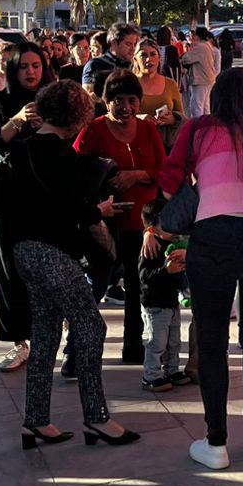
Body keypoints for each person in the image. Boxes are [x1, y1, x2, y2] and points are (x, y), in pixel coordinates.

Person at [2, 79, 139, 451]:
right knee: (90, 327)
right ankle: (96, 419)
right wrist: (100, 210)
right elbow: (70, 207)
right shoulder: (61, 155)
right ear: (77, 118)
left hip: (24, 251)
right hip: (52, 252)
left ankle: (36, 421)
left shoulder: (21, 149)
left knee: (45, 333)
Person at [159, 67, 243, 470]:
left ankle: (215, 443)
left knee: (212, 339)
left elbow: (167, 183)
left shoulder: (197, 129)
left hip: (213, 235)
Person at [75, 70, 165, 365]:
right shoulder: (93, 130)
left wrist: (137, 175)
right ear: (106, 102)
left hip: (144, 225)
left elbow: (163, 170)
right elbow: (76, 171)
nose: (125, 106)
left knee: (139, 288)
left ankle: (134, 348)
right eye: (117, 100)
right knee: (95, 286)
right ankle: (75, 352)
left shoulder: (148, 129)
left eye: (131, 100)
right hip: (106, 225)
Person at [0, 42, 48, 371]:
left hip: (46, 197)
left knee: (46, 271)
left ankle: (48, 332)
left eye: (36, 65)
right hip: (6, 201)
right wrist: (17, 120)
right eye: (24, 67)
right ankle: (19, 341)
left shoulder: (52, 99)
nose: (31, 72)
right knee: (9, 273)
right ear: (12, 70)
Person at [137, 198, 190, 392]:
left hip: (170, 301)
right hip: (155, 303)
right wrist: (166, 271)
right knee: (156, 341)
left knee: (174, 340)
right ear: (155, 226)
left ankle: (172, 370)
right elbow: (144, 276)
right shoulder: (150, 247)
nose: (175, 228)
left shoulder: (174, 243)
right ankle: (151, 375)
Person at [132, 37, 184, 151]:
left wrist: (173, 119)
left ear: (159, 58)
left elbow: (181, 116)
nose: (148, 59)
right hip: (136, 145)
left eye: (152, 54)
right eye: (143, 55)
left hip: (165, 146)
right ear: (135, 59)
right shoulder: (129, 83)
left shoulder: (171, 84)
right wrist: (139, 118)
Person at [83, 23, 141, 108]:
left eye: (134, 44)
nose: (133, 49)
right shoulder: (95, 65)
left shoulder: (136, 64)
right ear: (113, 42)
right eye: (128, 44)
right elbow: (87, 97)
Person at [182, 26, 219, 120]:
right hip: (208, 79)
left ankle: (197, 126)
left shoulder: (200, 47)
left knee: (196, 106)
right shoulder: (208, 45)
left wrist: (189, 48)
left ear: (197, 36)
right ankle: (206, 125)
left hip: (201, 80)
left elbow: (186, 59)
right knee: (206, 107)